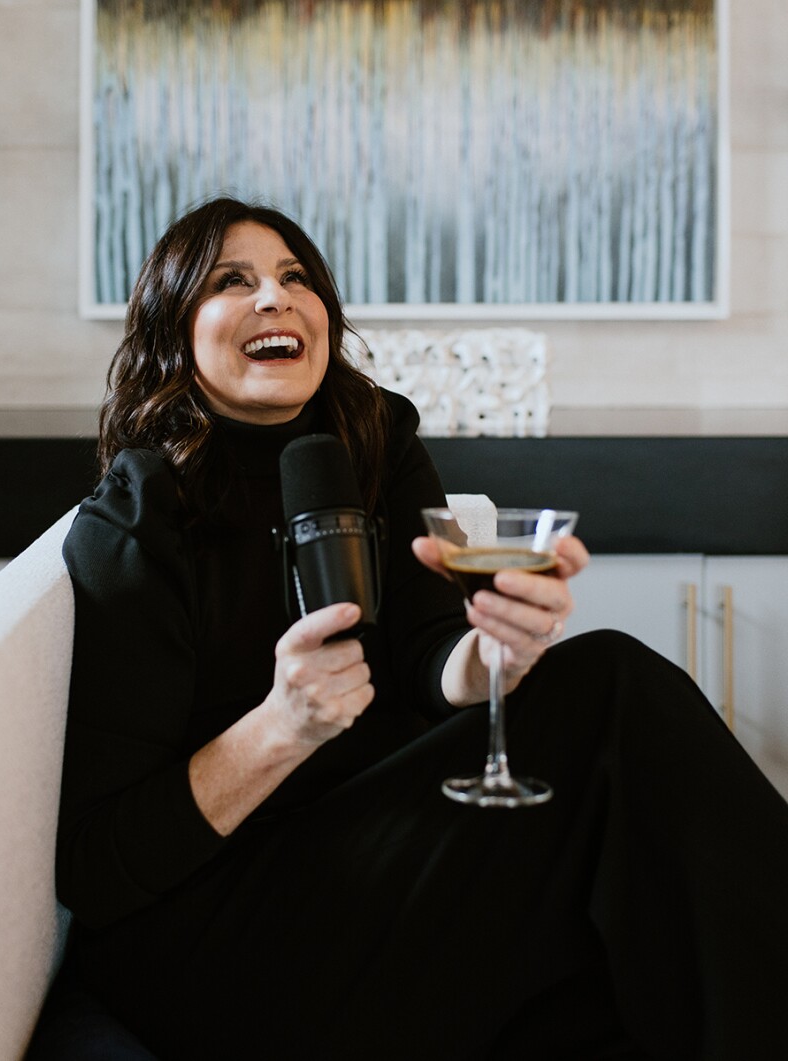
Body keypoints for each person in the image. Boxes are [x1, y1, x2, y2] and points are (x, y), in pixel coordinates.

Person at [40, 197, 788, 1061]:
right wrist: (283, 727)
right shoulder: (136, 520)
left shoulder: (370, 437)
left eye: (295, 278)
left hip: (374, 853)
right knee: (613, 704)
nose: (274, 299)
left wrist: (493, 654)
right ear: (176, 330)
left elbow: (433, 653)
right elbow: (97, 865)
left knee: (607, 697)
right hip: (227, 932)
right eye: (230, 281)